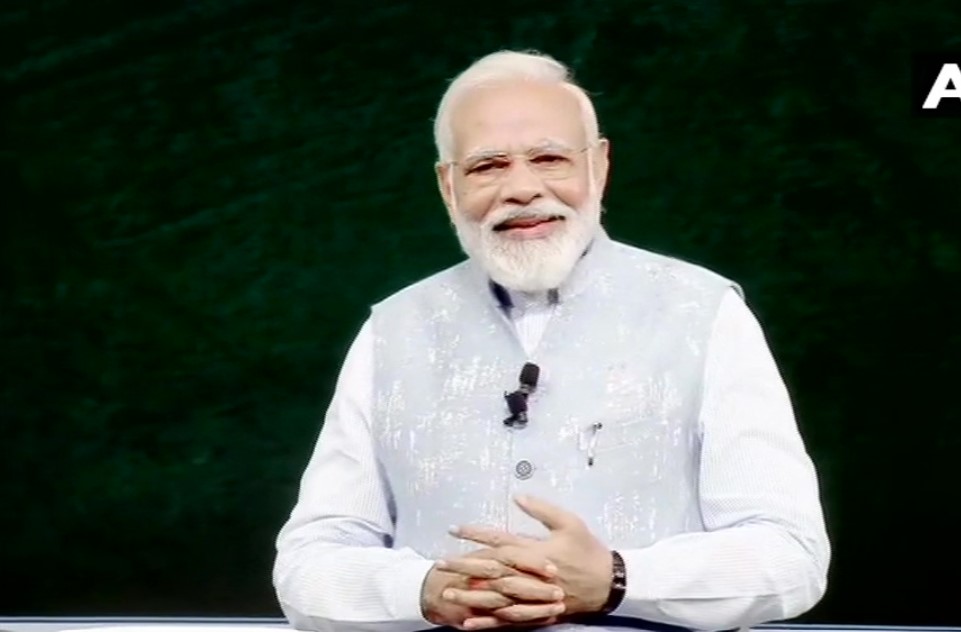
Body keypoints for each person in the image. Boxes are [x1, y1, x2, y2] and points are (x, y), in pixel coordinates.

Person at [272, 49, 831, 632]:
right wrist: (423, 590)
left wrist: (617, 580)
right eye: (488, 166)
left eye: (549, 158)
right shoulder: (392, 330)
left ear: (599, 167)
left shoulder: (703, 313)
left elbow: (790, 556)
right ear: (447, 185)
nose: (522, 188)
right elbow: (307, 565)